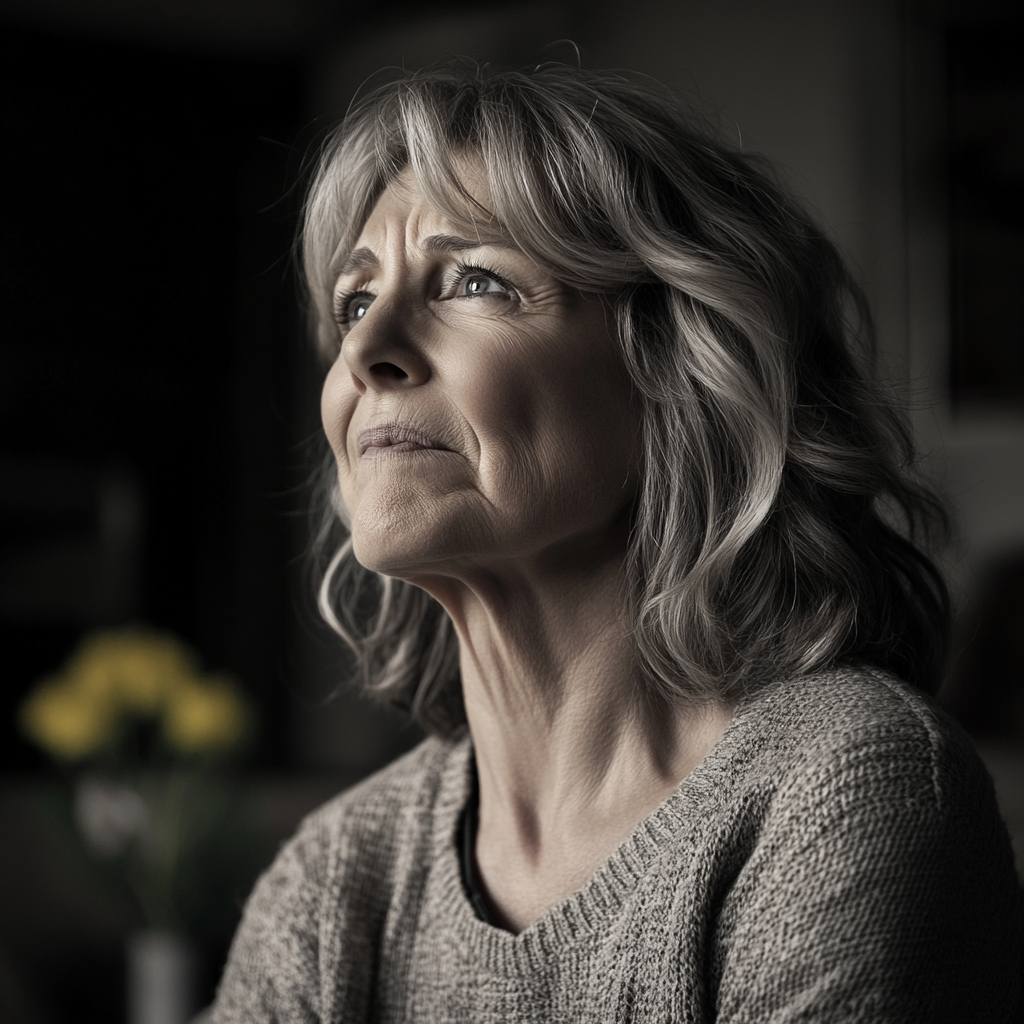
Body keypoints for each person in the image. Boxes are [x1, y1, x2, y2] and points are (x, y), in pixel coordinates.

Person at [211, 62, 1020, 1022]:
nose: (366, 348)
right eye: (352, 300)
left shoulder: (842, 790)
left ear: (681, 368)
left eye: (473, 279)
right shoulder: (335, 881)